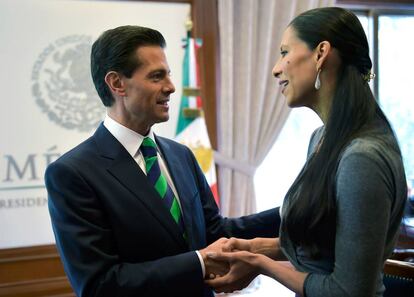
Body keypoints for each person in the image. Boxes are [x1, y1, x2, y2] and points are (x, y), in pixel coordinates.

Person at [45, 25, 280, 297]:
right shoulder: (72, 174)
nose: (170, 87)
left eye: (167, 74)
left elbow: (215, 231)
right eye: (157, 77)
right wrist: (200, 262)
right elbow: (100, 285)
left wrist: (291, 211)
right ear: (117, 83)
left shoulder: (181, 155)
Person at [205, 7, 407, 297]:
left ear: (321, 53)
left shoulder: (361, 158)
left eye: (285, 52)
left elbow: (348, 291)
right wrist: (252, 247)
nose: (276, 68)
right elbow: (321, 247)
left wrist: (261, 264)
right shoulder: (321, 138)